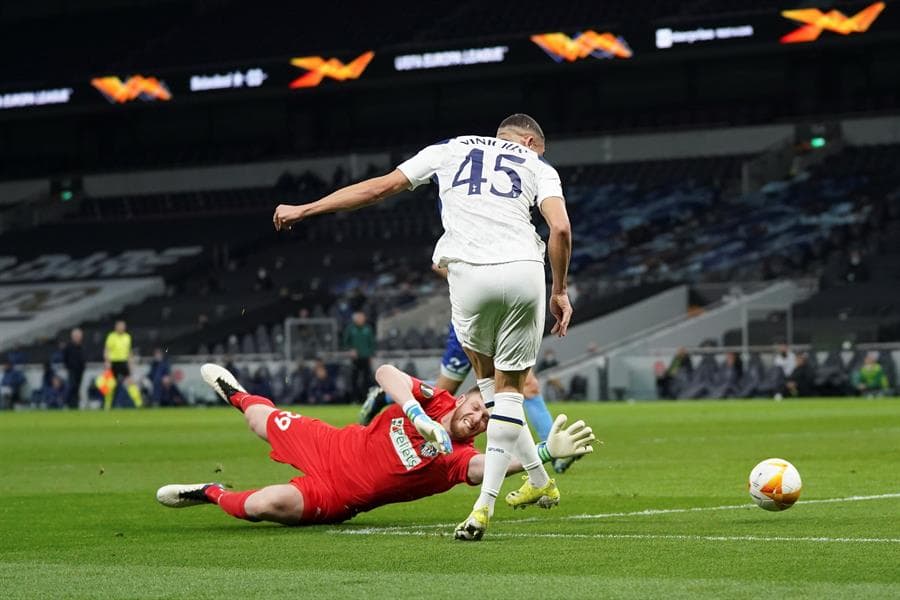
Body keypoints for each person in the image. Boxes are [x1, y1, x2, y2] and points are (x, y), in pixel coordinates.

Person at [273, 114, 572, 541]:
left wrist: (306, 208)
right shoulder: (538, 165)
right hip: (525, 270)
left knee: (488, 383)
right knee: (511, 389)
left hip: (470, 273)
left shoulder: (449, 148)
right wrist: (559, 290)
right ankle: (515, 490)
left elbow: (378, 188)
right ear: (529, 142)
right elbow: (559, 227)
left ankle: (525, 486)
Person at [156, 363, 594, 526]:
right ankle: (236, 394)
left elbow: (485, 469)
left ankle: (210, 492)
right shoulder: (434, 400)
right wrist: (416, 414)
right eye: (478, 407)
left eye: (485, 420)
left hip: (336, 496)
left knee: (261, 505)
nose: (477, 418)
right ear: (464, 398)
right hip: (330, 444)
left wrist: (542, 453)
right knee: (257, 419)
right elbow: (386, 373)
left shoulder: (458, 455)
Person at [342, 311, 375, 399]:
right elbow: (345, 342)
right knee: (354, 379)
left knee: (367, 379)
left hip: (366, 357)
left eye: (362, 317)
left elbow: (372, 343)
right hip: (355, 358)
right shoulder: (350, 329)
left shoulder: (368, 329)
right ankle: (354, 398)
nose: (361, 319)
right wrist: (350, 350)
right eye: (359, 317)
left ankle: (366, 398)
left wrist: (371, 355)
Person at [62, 328, 86, 409]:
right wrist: (68, 367)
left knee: (77, 388)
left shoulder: (81, 346)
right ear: (72, 336)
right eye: (76, 336)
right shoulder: (68, 346)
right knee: (72, 386)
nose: (78, 337)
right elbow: (65, 358)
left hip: (80, 370)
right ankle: (67, 403)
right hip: (72, 370)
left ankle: (75, 405)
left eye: (79, 336)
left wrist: (83, 366)